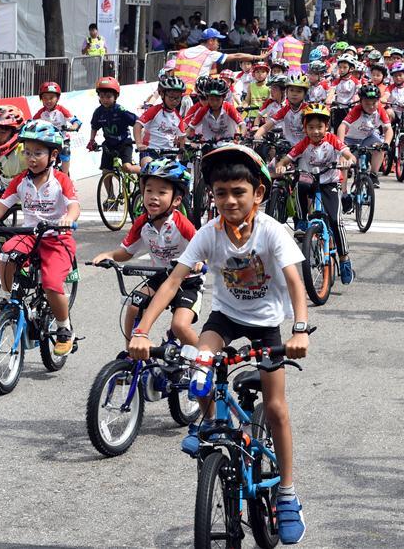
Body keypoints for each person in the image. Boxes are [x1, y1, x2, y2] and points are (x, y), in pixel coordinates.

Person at [128, 144, 310, 546]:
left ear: (257, 194)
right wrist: (141, 330)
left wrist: (299, 330)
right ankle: (209, 422)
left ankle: (287, 494)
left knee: (276, 407)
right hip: (224, 319)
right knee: (202, 362)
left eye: (238, 192)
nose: (229, 200)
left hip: (265, 325)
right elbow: (173, 281)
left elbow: (295, 284)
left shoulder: (272, 232)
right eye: (221, 193)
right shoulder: (210, 234)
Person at [0, 121, 80, 355]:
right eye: (27, 152)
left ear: (53, 155)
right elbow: (0, 207)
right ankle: (12, 298)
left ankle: (64, 328)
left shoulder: (61, 180)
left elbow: (74, 207)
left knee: (52, 284)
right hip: (29, 234)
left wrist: (67, 220)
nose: (31, 158)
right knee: (6, 252)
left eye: (38, 153)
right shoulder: (20, 180)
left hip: (56, 237)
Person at [92, 159, 201, 346]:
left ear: (176, 199)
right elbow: (127, 252)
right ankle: (130, 353)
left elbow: (201, 245)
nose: (153, 196)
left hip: (187, 281)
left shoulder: (181, 223)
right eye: (149, 190)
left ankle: (204, 360)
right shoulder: (142, 223)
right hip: (159, 277)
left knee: (179, 326)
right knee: (133, 306)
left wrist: (199, 260)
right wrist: (110, 255)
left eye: (162, 192)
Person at [275, 102, 356, 284]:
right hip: (310, 181)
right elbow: (287, 158)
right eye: (311, 127)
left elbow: (348, 154)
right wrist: (281, 166)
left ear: (326, 127)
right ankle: (302, 222)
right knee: (299, 186)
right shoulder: (304, 143)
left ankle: (344, 259)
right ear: (305, 128)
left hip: (330, 183)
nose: (316, 131)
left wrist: (348, 160)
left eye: (320, 127)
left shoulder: (332, 140)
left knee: (336, 221)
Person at [173, 27, 267, 95]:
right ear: (210, 41)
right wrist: (258, 57)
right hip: (195, 95)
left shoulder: (182, 52)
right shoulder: (209, 54)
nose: (218, 44)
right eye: (217, 41)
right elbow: (237, 56)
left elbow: (173, 73)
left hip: (177, 93)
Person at [336, 84, 394, 187]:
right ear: (361, 102)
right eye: (367, 103)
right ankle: (344, 190)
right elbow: (342, 127)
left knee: (380, 147)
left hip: (368, 137)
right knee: (344, 161)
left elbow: (388, 129)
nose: (371, 106)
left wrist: (386, 143)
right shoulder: (356, 110)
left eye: (374, 103)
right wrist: (341, 145)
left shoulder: (380, 109)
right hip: (350, 139)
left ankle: (373, 175)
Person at [87, 76, 140, 174]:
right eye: (102, 96)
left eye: (108, 97)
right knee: (106, 172)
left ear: (115, 96)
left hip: (124, 144)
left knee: (127, 167)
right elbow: (94, 127)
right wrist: (91, 140)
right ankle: (110, 190)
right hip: (109, 145)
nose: (104, 100)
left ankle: (146, 171)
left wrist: (140, 141)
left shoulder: (121, 110)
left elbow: (138, 122)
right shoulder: (98, 112)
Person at [134, 76, 186, 166]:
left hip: (169, 154)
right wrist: (139, 144)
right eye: (171, 97)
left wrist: (180, 155)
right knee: (148, 167)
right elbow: (137, 126)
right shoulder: (154, 110)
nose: (174, 101)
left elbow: (182, 138)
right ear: (162, 94)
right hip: (150, 151)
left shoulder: (178, 117)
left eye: (177, 98)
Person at [33, 82, 81, 175]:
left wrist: (74, 126)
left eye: (51, 98)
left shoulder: (61, 110)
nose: (48, 101)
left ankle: (65, 177)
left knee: (65, 152)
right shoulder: (41, 112)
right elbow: (31, 122)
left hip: (62, 139)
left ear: (57, 98)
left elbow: (76, 121)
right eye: (45, 98)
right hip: (47, 140)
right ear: (41, 99)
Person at [255, 74, 310, 147]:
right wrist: (257, 135)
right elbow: (266, 126)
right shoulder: (285, 110)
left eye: (299, 91)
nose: (294, 94)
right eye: (291, 90)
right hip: (288, 148)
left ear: (304, 94)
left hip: (305, 149)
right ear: (286, 92)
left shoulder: (308, 110)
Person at [186, 77, 243, 142]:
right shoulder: (203, 110)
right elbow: (190, 128)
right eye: (211, 99)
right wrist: (184, 139)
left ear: (223, 97)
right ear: (207, 97)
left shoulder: (229, 108)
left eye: (218, 100)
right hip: (209, 145)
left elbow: (242, 124)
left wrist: (240, 135)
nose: (215, 103)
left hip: (229, 144)